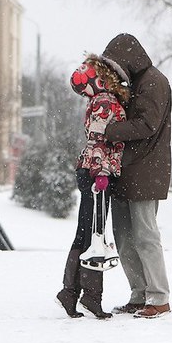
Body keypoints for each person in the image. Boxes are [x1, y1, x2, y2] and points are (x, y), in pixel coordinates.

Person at [100, 33, 172, 319]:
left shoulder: (154, 82)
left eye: (117, 65)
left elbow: (146, 124)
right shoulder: (137, 82)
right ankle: (139, 293)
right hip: (128, 169)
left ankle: (159, 297)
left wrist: (110, 130)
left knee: (145, 235)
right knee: (124, 236)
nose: (116, 72)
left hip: (146, 170)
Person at [56, 54, 129, 319]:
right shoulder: (106, 102)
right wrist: (103, 174)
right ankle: (89, 297)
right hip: (99, 174)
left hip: (92, 171)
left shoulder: (97, 100)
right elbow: (100, 141)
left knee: (86, 232)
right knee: (95, 235)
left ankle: (71, 292)